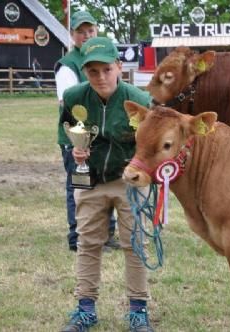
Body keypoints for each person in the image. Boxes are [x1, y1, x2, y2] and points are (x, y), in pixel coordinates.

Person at [59, 37, 154, 332]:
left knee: (135, 244)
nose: (100, 77)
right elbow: (67, 135)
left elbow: (150, 146)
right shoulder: (75, 96)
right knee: (87, 243)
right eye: (92, 72)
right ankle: (85, 309)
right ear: (85, 72)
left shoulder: (139, 100)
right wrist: (75, 152)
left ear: (119, 67)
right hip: (91, 180)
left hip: (129, 181)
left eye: (106, 69)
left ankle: (138, 311)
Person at [55, 11, 120, 252]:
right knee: (80, 185)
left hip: (102, 135)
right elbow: (68, 105)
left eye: (90, 31)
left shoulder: (104, 59)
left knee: (106, 182)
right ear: (72, 35)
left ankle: (106, 234)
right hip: (79, 137)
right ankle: (78, 238)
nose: (86, 35)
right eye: (81, 32)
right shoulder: (68, 66)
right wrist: (79, 143)